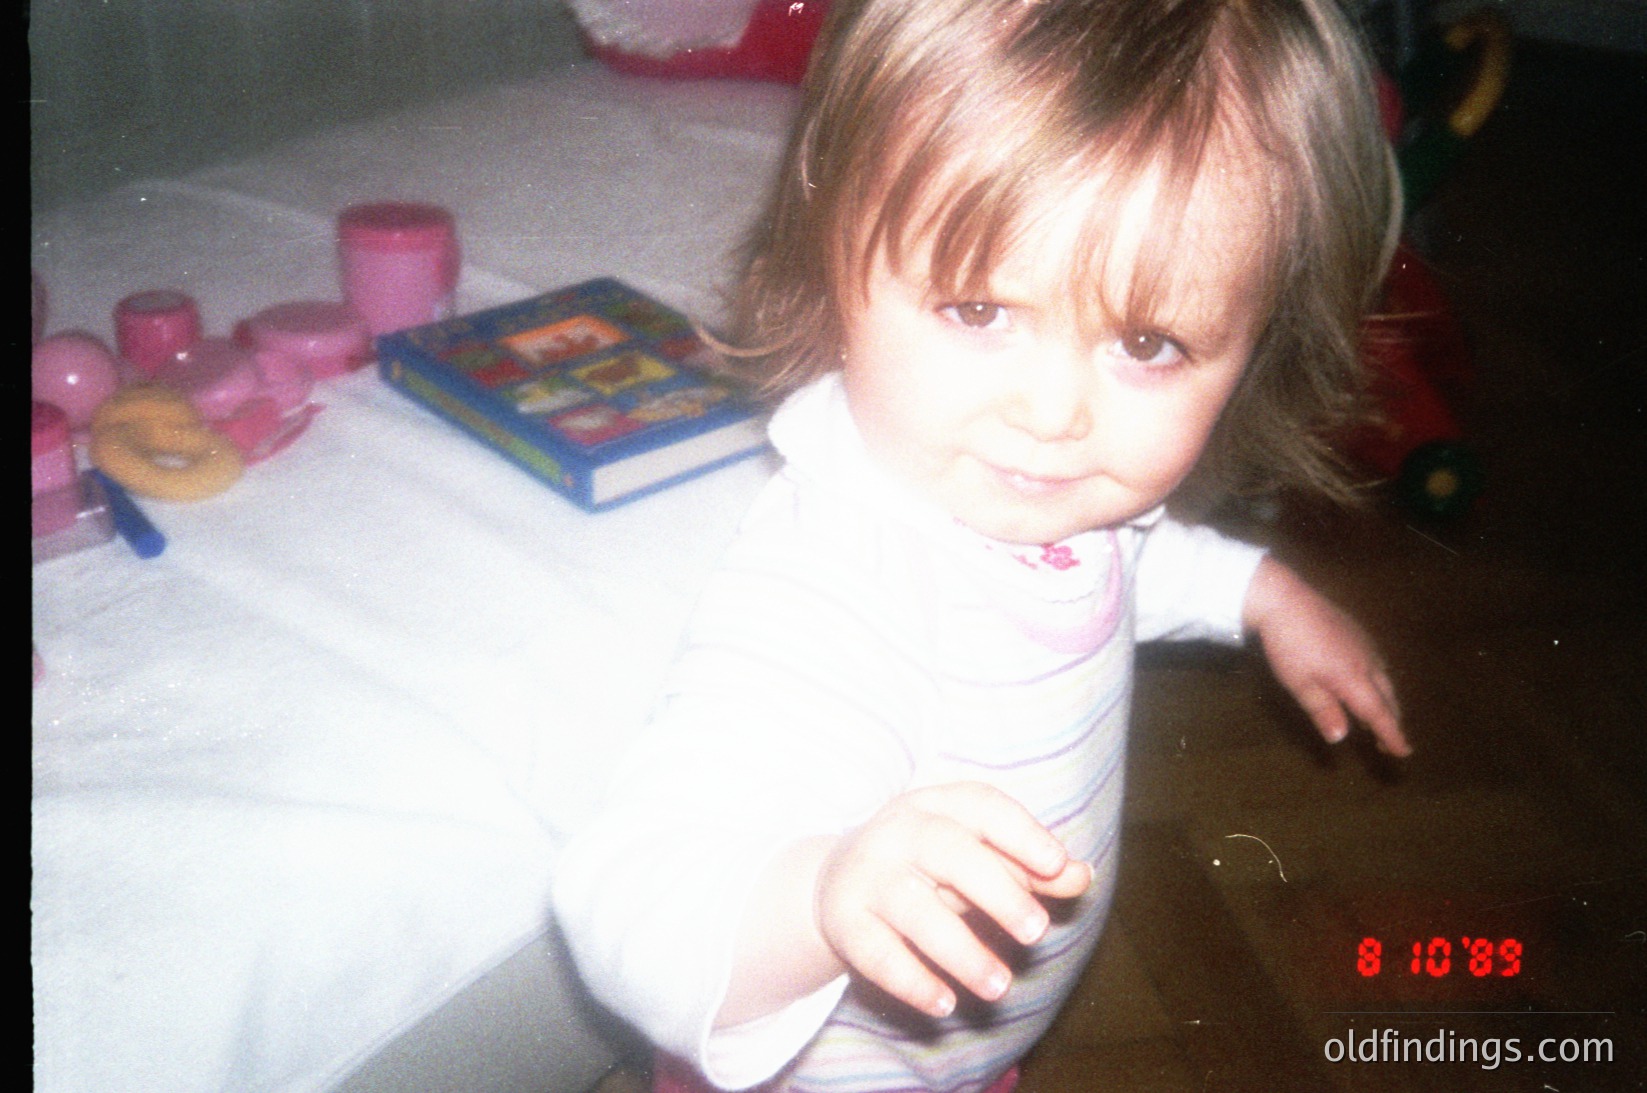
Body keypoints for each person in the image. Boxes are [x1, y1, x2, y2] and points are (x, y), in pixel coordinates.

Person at [552, 0, 1412, 1090]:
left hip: (963, 1048)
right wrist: (823, 897)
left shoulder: (1050, 505)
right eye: (979, 310)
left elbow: (1129, 561)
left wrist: (1263, 591)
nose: (1054, 413)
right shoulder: (837, 590)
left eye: (1147, 343)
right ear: (832, 254)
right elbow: (635, 896)